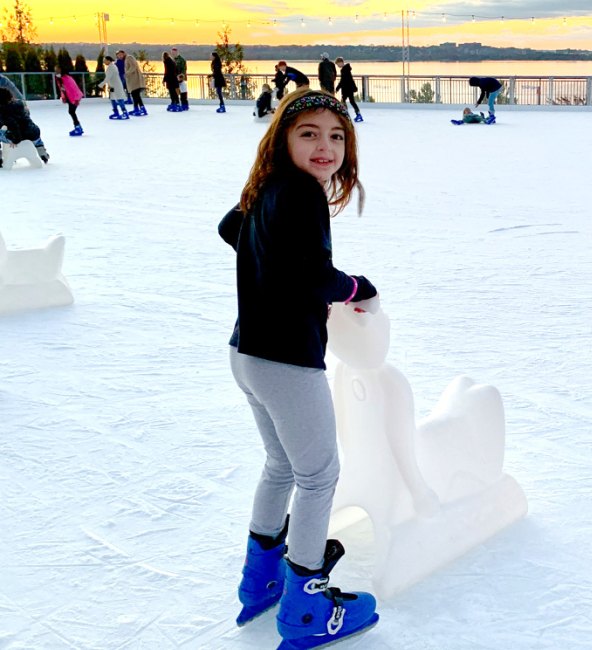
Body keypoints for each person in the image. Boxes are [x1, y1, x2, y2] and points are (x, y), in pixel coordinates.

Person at [217, 88, 380, 647]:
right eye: (308, 133)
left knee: (281, 466)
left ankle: (259, 581)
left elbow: (229, 228)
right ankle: (306, 609)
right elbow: (318, 278)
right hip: (286, 361)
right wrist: (359, 288)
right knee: (318, 476)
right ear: (283, 138)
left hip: (247, 354)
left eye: (336, 136)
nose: (325, 146)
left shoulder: (265, 189)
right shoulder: (303, 194)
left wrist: (266, 257)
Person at [0, 87, 49, 165]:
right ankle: (41, 151)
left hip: (19, 135)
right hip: (32, 131)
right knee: (36, 137)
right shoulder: (19, 103)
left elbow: (13, 125)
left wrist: (15, 139)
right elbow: (26, 116)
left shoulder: (3, 111)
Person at [55, 66, 84, 136]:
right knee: (71, 112)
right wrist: (64, 97)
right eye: (55, 69)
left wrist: (76, 99)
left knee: (71, 111)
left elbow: (73, 88)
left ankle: (78, 127)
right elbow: (62, 89)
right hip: (70, 97)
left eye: (58, 69)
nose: (56, 71)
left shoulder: (66, 78)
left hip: (74, 97)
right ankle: (78, 127)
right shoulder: (59, 78)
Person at [99, 55, 130, 120]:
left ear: (108, 60)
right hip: (112, 86)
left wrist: (101, 85)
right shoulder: (110, 67)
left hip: (116, 86)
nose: (104, 62)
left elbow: (108, 78)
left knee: (119, 99)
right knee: (112, 99)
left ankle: (125, 112)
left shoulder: (112, 67)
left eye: (105, 60)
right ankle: (116, 112)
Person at [334, 57, 362, 123]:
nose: (338, 66)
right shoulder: (346, 69)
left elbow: (343, 81)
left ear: (341, 62)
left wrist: (337, 88)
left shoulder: (344, 70)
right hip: (349, 88)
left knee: (343, 101)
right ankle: (358, 114)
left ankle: (344, 116)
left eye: (338, 64)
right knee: (351, 101)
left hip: (347, 89)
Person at [121, 51, 148, 116]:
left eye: (120, 54)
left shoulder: (129, 57)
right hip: (133, 81)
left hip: (135, 81)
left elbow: (133, 66)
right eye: (118, 55)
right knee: (136, 95)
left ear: (124, 53)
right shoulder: (126, 59)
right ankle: (141, 108)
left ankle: (137, 109)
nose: (119, 56)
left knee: (135, 95)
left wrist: (126, 74)